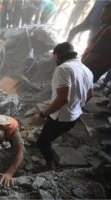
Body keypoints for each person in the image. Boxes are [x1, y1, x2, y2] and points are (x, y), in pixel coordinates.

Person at [31, 42, 93, 170]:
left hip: (61, 117)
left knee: (42, 142)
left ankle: (49, 164)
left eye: (54, 58)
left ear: (57, 55)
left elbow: (63, 99)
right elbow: (90, 95)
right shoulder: (86, 69)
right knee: (49, 134)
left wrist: (42, 115)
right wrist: (76, 106)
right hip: (74, 117)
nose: (55, 60)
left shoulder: (63, 69)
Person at [82, 3, 111, 83]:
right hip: (102, 66)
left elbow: (95, 53)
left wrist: (81, 65)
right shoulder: (107, 27)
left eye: (105, 14)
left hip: (93, 65)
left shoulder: (109, 31)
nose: (101, 17)